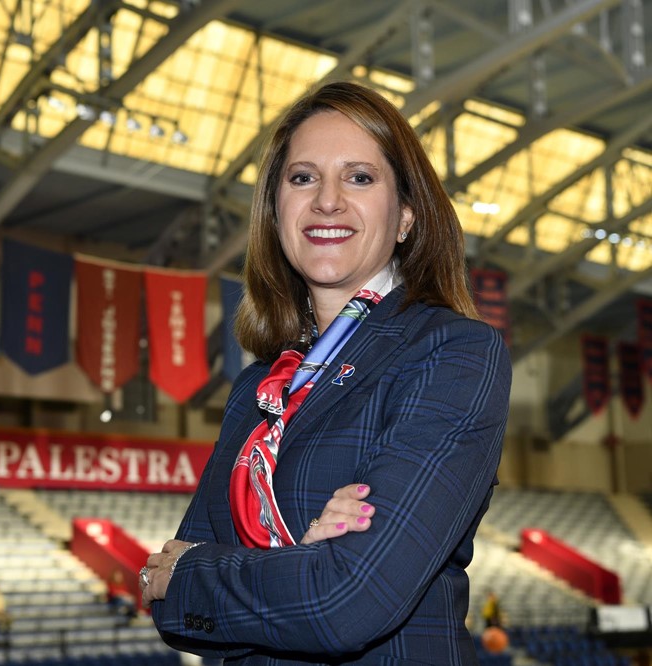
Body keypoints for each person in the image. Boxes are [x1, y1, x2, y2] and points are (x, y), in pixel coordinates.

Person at [138, 81, 511, 665]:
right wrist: (297, 567)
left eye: (360, 177)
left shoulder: (453, 354)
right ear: (276, 209)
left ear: (407, 216)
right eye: (303, 177)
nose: (327, 201)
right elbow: (168, 607)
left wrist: (203, 571)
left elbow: (346, 604)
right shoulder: (258, 388)